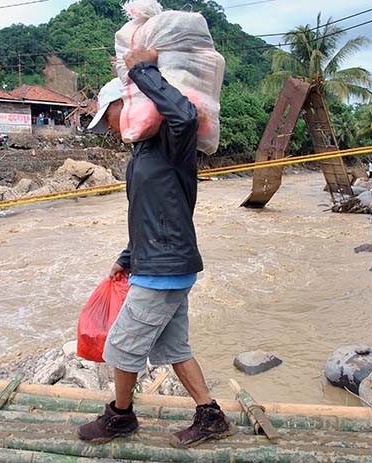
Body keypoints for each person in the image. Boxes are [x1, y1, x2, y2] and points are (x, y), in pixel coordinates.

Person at [76, 47, 233, 448]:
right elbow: (151, 215)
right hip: (158, 263)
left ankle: (120, 418)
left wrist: (142, 69)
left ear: (125, 105)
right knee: (173, 347)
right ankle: (210, 415)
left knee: (122, 345)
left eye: (106, 118)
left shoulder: (170, 141)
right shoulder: (143, 153)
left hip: (165, 268)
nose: (107, 130)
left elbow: (181, 112)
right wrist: (126, 258)